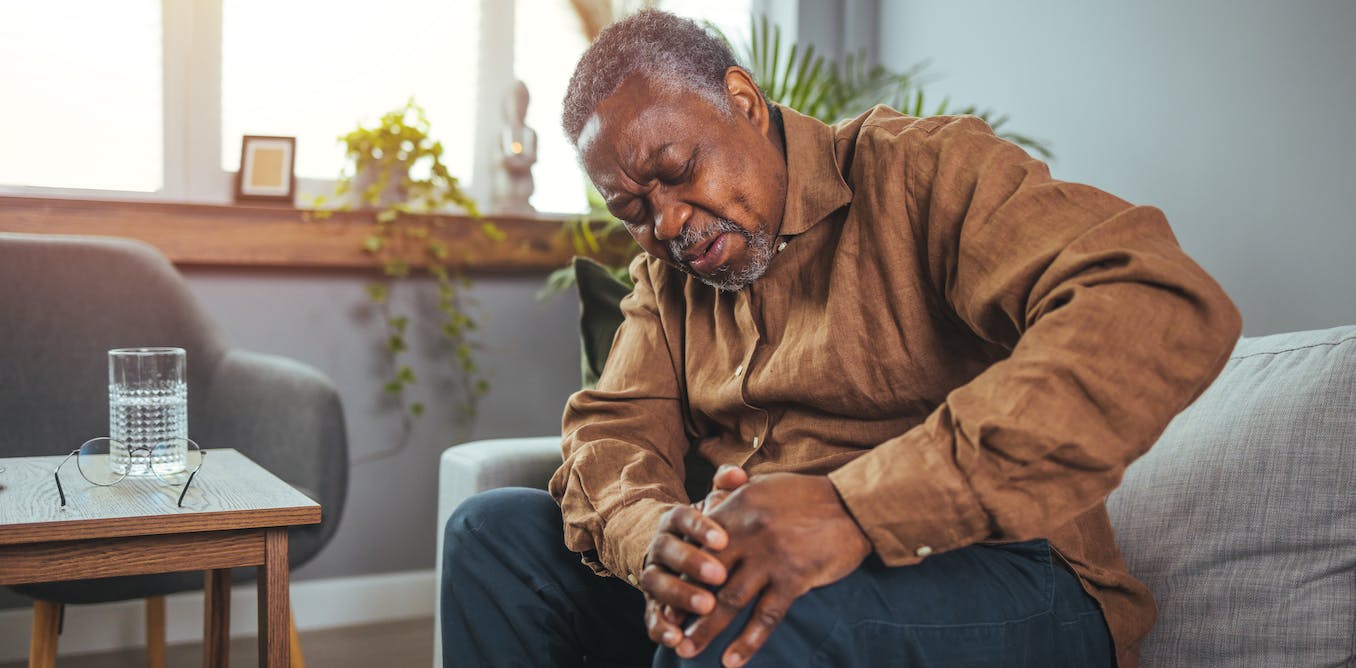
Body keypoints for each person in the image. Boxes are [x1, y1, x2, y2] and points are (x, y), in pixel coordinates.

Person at [442, 10, 1240, 668]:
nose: (668, 222)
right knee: (492, 536)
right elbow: (610, 434)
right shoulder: (670, 278)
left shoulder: (925, 174)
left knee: (743, 614)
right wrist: (654, 535)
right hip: (770, 579)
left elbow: (1154, 300)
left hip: (1006, 573)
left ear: (744, 103)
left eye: (679, 167)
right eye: (635, 210)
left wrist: (852, 509)